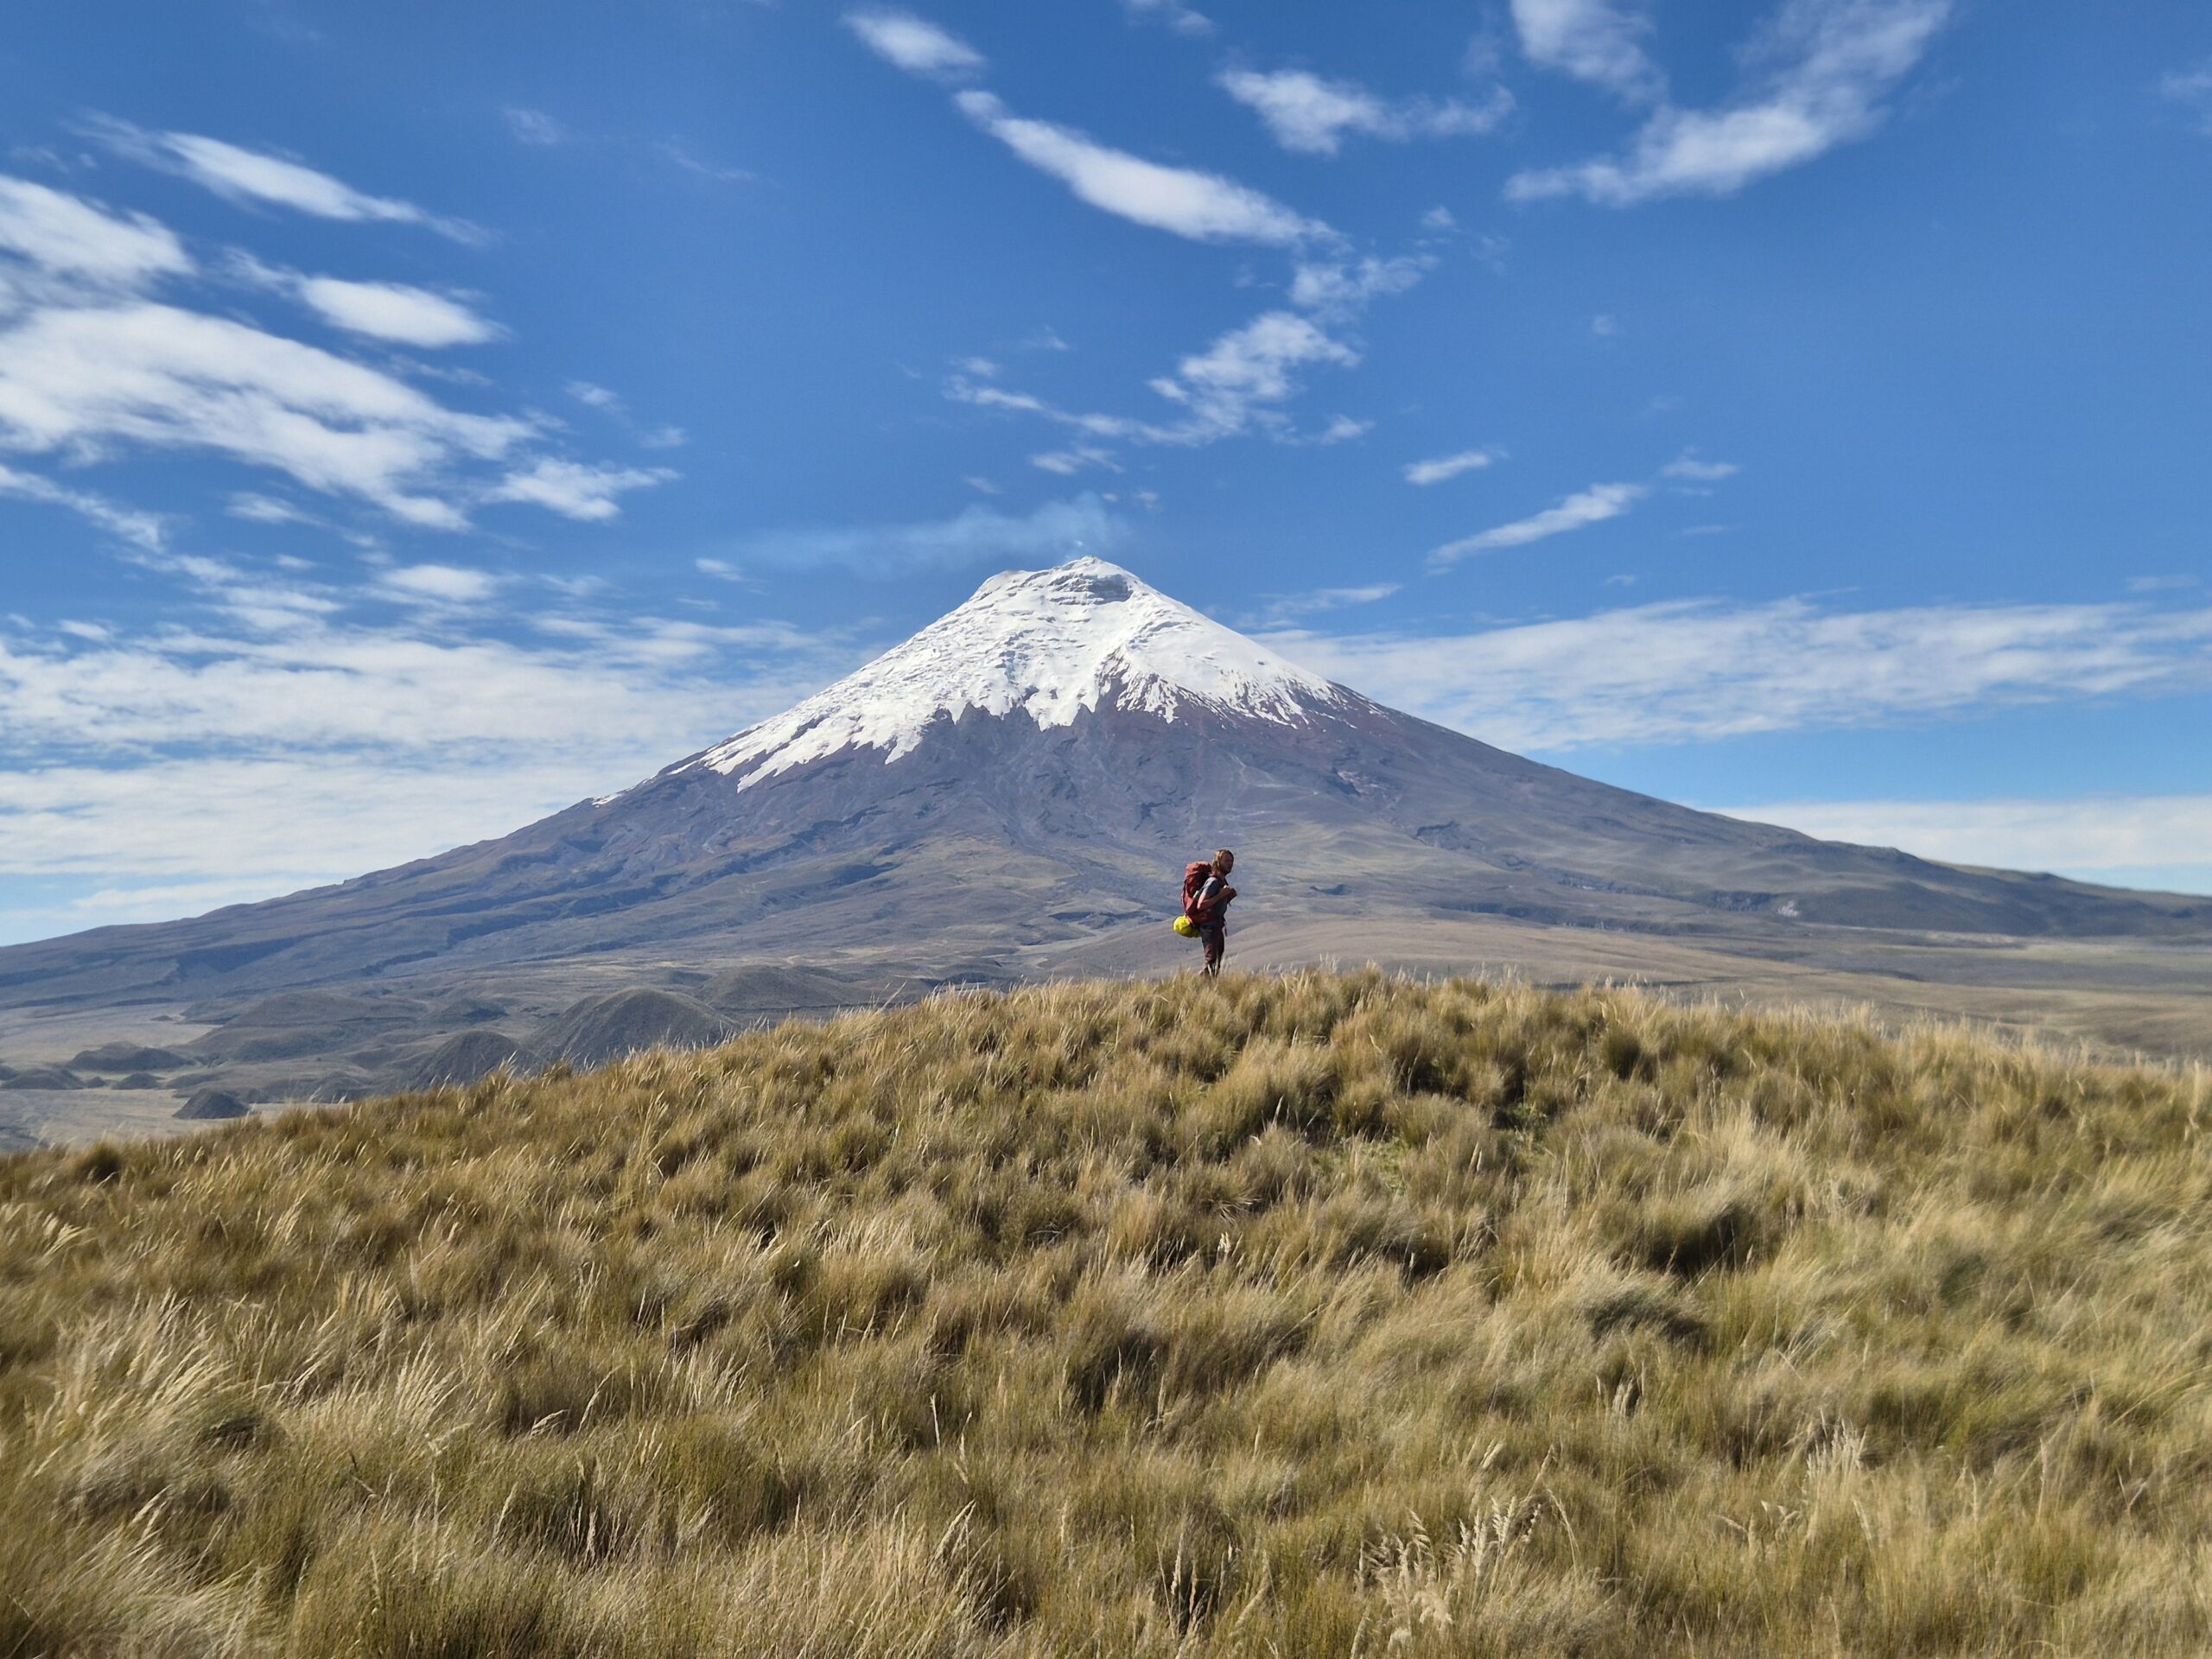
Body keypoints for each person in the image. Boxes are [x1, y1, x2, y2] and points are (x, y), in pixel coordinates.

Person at [1184, 848, 1236, 977]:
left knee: (1216, 960)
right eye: (1226, 861)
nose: (1230, 864)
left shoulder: (1221, 881)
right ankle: (1196, 986)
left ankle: (1209, 988)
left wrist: (1228, 896)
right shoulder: (1213, 881)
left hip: (1217, 925)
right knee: (1211, 960)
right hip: (1210, 926)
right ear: (1218, 862)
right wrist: (1221, 895)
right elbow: (1201, 904)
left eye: (1231, 861)